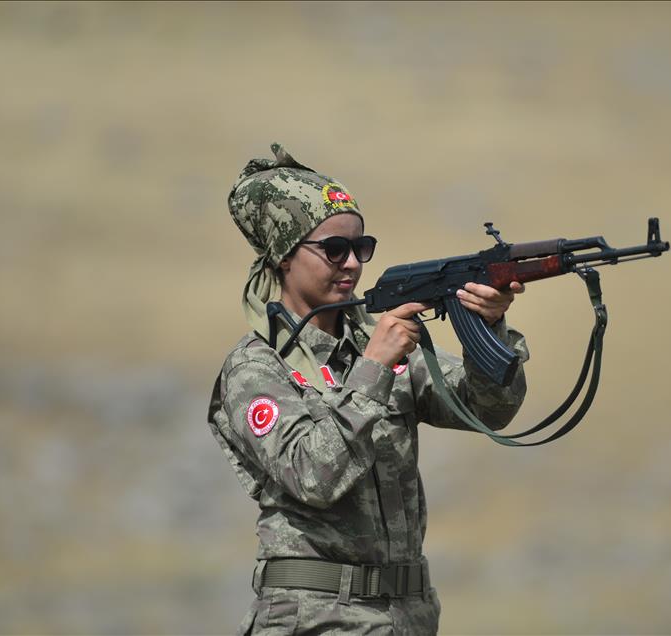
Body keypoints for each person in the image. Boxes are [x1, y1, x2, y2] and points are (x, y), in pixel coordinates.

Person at [207, 143, 529, 635]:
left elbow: (487, 407)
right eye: (333, 249)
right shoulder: (256, 367)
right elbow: (311, 475)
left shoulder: (378, 345)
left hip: (406, 618)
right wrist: (374, 368)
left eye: (361, 248)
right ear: (284, 256)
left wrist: (491, 326)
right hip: (316, 619)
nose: (352, 264)